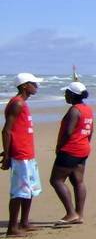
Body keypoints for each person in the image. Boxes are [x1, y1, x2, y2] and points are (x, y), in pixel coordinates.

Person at [2, 73, 44, 236]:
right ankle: (12, 228)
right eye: (34, 83)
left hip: (27, 152)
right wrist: (6, 155)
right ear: (25, 85)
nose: (37, 86)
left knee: (29, 189)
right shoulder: (17, 103)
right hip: (20, 154)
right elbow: (6, 130)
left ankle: (24, 222)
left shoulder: (22, 103)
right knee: (19, 191)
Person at [50, 82, 93, 225]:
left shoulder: (74, 110)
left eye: (66, 93)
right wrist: (86, 144)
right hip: (83, 148)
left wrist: (59, 146)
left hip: (71, 149)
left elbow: (68, 132)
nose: (65, 95)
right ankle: (79, 214)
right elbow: (90, 130)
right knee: (78, 181)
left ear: (73, 95)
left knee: (56, 180)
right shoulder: (87, 109)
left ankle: (71, 213)